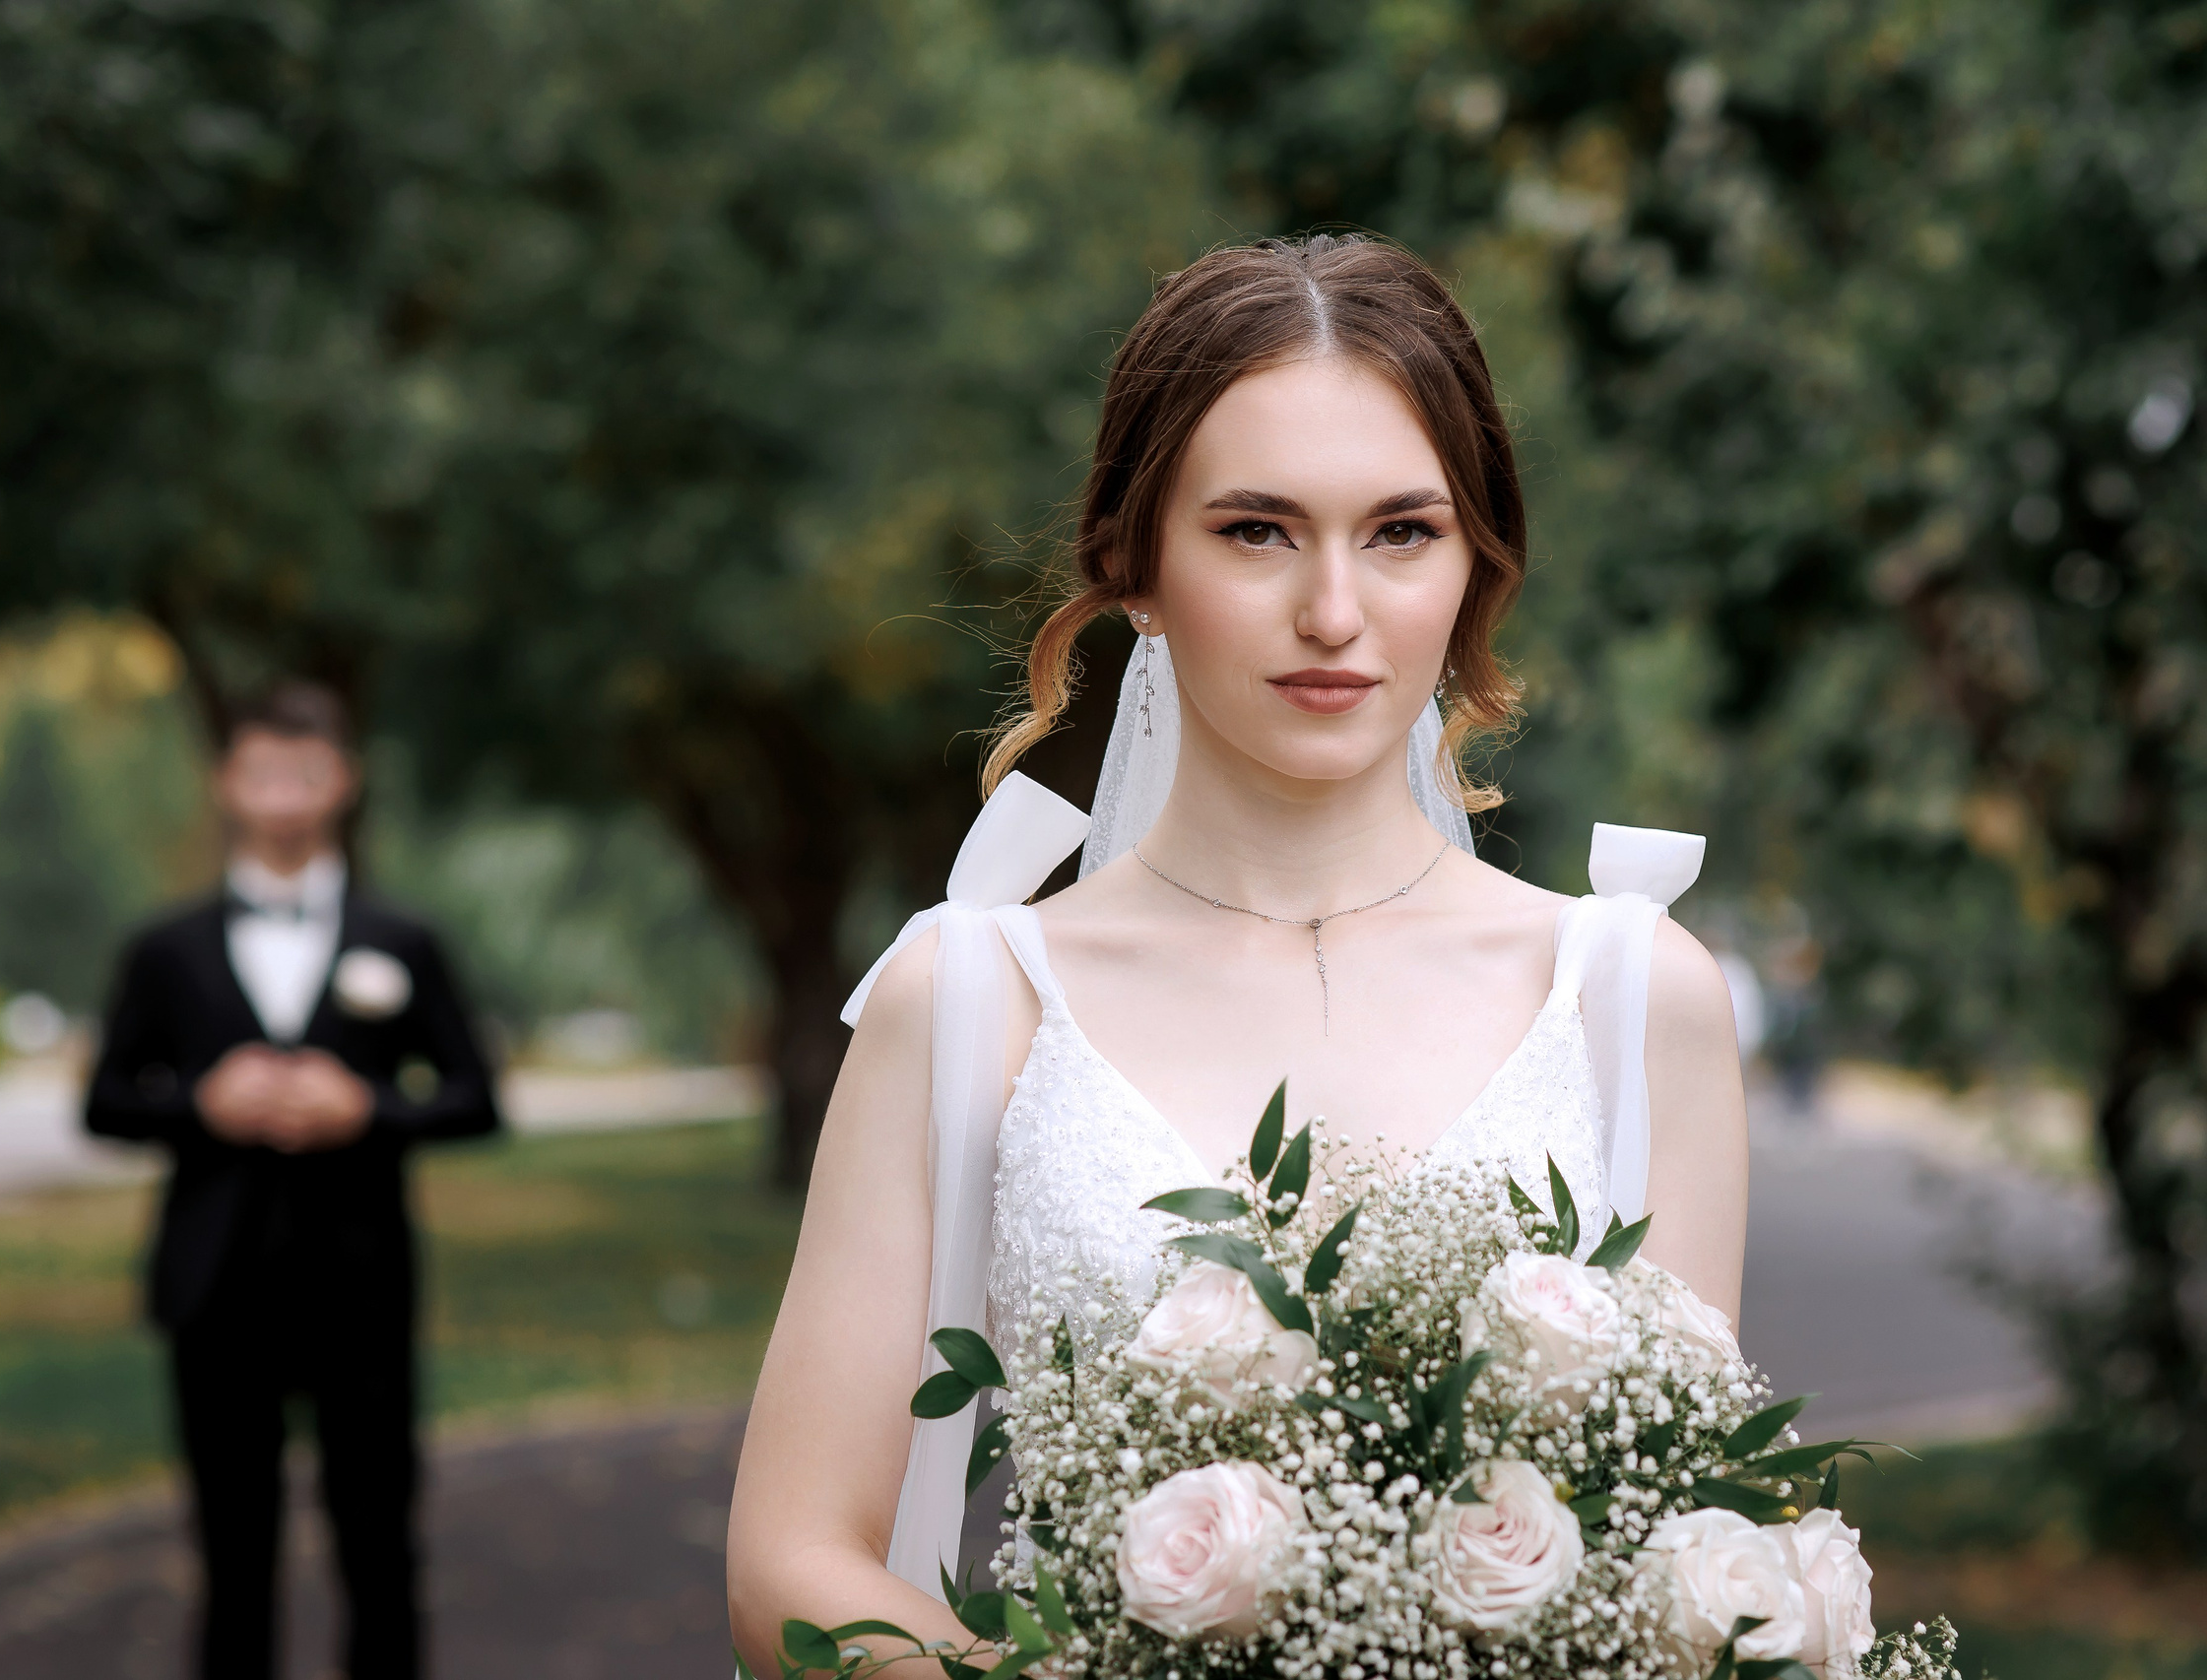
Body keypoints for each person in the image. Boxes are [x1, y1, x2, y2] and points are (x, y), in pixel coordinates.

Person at [726, 235, 1750, 1672]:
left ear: (1477, 564)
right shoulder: (968, 1000)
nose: (1334, 610)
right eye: (1256, 530)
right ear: (1133, 560)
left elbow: (1686, 1550)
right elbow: (792, 1565)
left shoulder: (1638, 1001)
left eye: (1403, 531)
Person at [86, 681, 500, 1680]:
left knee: (379, 1539)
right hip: (213, 1283)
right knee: (231, 1547)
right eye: (262, 770)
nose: (282, 793)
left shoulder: (401, 939)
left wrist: (368, 1109)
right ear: (228, 783)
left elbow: (475, 1096)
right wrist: (200, 1100)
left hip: (358, 1282)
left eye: (304, 772)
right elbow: (105, 1101)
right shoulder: (165, 946)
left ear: (343, 783)